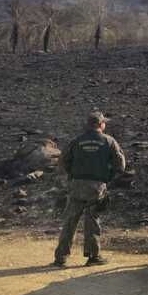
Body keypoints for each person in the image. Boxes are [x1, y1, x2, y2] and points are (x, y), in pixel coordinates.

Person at [53, 111, 125, 267]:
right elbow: (121, 165)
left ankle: (61, 257)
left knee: (70, 222)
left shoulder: (76, 141)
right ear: (101, 125)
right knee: (92, 221)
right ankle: (93, 256)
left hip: (76, 185)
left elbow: (63, 160)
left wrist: (72, 174)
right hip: (96, 186)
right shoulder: (109, 141)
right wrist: (108, 177)